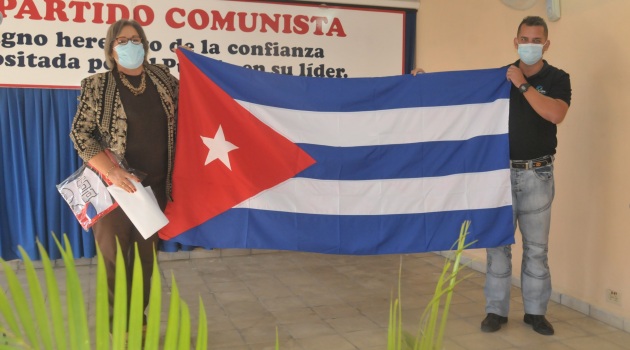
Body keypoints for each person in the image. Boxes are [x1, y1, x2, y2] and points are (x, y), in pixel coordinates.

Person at [413, 16, 571, 336]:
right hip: (498, 174)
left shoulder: (557, 78)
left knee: (537, 248)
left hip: (537, 174)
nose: (530, 45)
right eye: (524, 39)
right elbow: (460, 96)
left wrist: (523, 85)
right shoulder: (499, 77)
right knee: (497, 245)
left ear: (547, 44)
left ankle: (535, 312)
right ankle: (495, 310)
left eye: (536, 40)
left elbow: (555, 114)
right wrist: (425, 84)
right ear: (515, 42)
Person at [69, 19, 179, 329]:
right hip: (113, 188)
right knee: (114, 259)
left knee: (146, 260)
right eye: (121, 41)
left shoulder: (164, 79)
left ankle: (139, 320)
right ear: (111, 48)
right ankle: (118, 326)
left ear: (144, 44)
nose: (129, 45)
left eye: (135, 39)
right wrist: (113, 172)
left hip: (155, 187)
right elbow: (80, 134)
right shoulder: (97, 85)